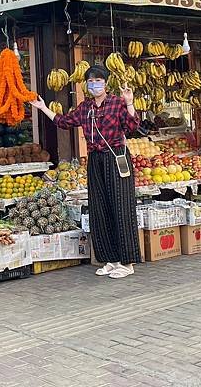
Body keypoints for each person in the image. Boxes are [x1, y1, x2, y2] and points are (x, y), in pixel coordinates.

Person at [31, 65, 142, 279]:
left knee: (121, 207)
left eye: (98, 80)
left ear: (106, 83)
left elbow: (131, 127)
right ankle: (111, 259)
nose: (94, 85)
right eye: (90, 81)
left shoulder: (117, 103)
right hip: (95, 160)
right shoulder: (85, 108)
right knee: (99, 208)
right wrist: (43, 107)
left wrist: (129, 103)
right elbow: (63, 122)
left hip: (116, 157)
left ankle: (127, 262)